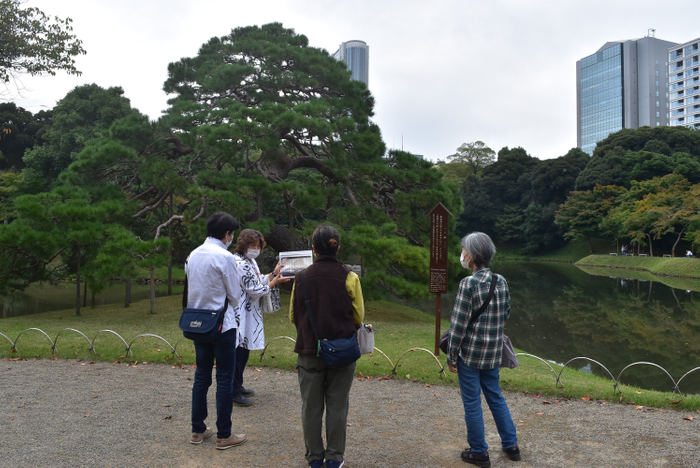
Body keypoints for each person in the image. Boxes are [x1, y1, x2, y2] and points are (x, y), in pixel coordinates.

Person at [289, 225, 364, 468]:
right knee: (337, 405)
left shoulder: (300, 278)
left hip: (310, 350)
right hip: (342, 351)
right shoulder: (350, 277)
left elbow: (293, 315)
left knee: (310, 407)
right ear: (338, 248)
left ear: (313, 249)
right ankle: (334, 457)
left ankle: (314, 458)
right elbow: (358, 317)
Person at [446, 232, 520, 467]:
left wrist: (451, 356)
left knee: (472, 403)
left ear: (473, 255)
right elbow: (505, 313)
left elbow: (458, 325)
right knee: (496, 397)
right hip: (492, 353)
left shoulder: (468, 283)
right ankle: (511, 446)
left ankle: (479, 451)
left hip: (469, 354)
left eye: (464, 251)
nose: (463, 254)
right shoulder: (502, 281)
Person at [185, 212, 247, 450]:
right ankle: (224, 434)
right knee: (224, 378)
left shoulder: (193, 255)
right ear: (227, 234)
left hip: (198, 323)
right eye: (232, 234)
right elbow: (234, 294)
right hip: (222, 325)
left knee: (201, 376)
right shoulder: (225, 257)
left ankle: (197, 430)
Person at [231, 229, 290, 406]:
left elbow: (258, 281)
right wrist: (274, 283)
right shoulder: (240, 263)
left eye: (258, 246)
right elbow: (255, 290)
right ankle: (233, 391)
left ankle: (238, 385)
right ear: (243, 245)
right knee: (238, 352)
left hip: (249, 313)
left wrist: (273, 273)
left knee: (244, 350)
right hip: (240, 314)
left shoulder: (250, 261)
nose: (255, 249)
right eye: (252, 245)